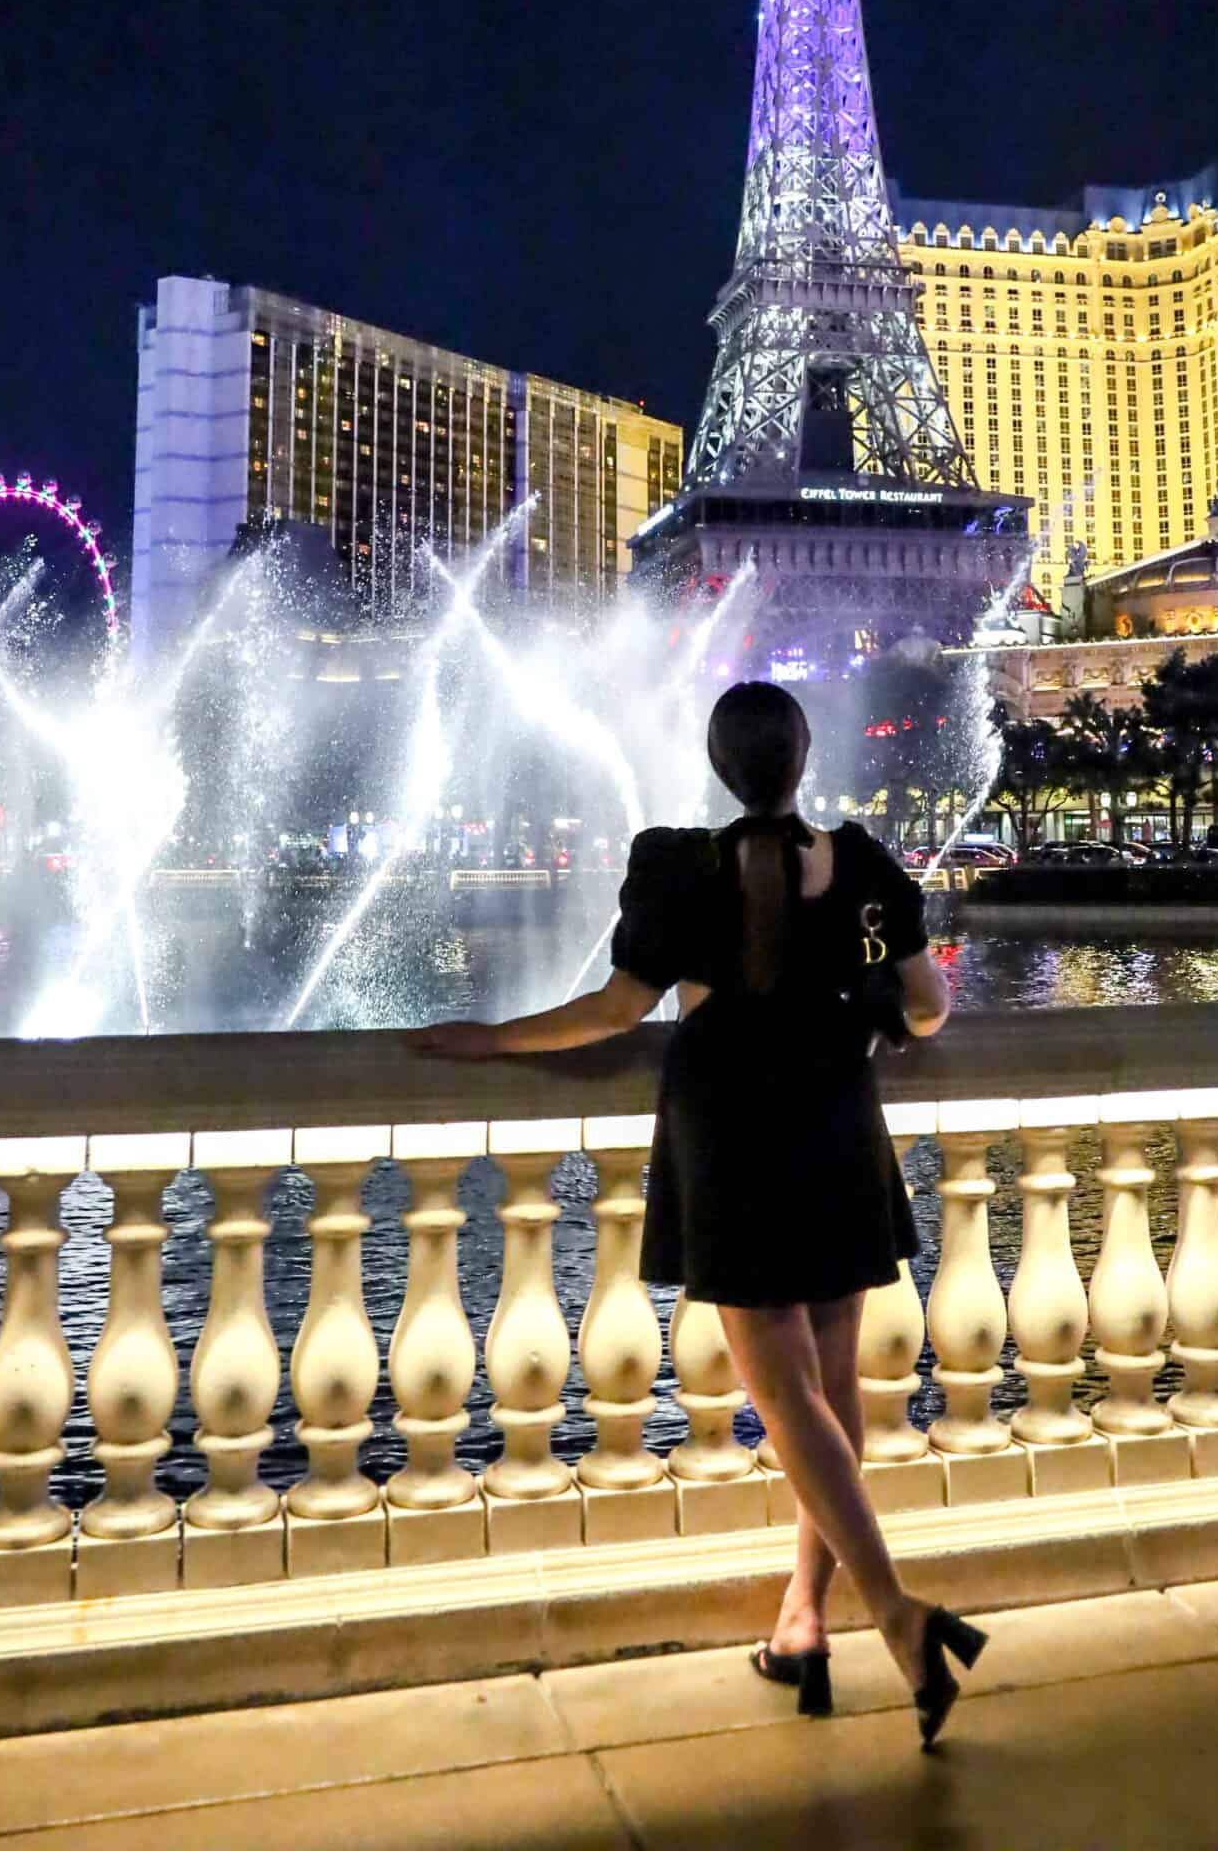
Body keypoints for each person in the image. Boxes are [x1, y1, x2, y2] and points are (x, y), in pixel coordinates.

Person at [409, 680, 986, 1747]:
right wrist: (874, 1019)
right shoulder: (858, 864)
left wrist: (488, 1038)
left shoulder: (680, 865)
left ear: (722, 764)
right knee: (826, 1388)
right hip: (834, 1120)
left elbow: (612, 1010)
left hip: (733, 1132)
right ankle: (805, 1620)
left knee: (793, 1399)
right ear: (801, 758)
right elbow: (927, 1004)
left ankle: (898, 1615)